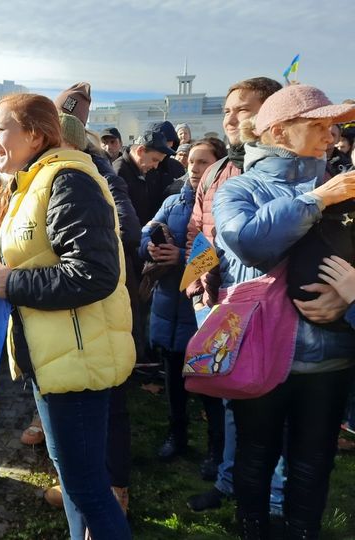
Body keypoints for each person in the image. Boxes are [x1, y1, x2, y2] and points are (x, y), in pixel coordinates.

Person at [0, 93, 134, 540]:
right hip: (52, 358)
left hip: (78, 362)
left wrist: (12, 283)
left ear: (33, 133)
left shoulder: (69, 180)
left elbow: (94, 273)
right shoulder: (32, 181)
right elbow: (34, 257)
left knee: (87, 487)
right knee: (75, 482)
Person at [212, 84, 355, 538]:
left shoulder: (343, 183)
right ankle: (251, 528)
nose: (330, 135)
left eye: (332, 126)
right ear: (278, 131)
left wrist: (350, 294)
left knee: (313, 462)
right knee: (255, 456)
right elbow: (251, 242)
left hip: (330, 356)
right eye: (316, 125)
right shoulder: (240, 187)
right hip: (262, 353)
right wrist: (316, 200)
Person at [185, 77, 284, 514]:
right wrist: (196, 283)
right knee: (229, 396)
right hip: (218, 301)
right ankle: (229, 482)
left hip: (271, 307)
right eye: (227, 110)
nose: (230, 118)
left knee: (272, 405)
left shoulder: (286, 169)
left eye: (242, 109)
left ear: (271, 113)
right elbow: (199, 231)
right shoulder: (216, 170)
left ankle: (277, 501)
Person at [140, 139, 227, 479]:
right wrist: (150, 247)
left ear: (218, 167)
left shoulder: (225, 205)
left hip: (204, 313)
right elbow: (145, 234)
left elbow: (225, 255)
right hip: (168, 310)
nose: (193, 168)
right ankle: (177, 436)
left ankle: (216, 451)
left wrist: (183, 260)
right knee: (174, 381)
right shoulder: (173, 202)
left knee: (210, 387)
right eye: (190, 161)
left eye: (203, 162)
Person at [113, 130, 176, 227]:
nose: (155, 166)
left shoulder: (141, 170)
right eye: (154, 160)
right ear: (140, 151)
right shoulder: (119, 173)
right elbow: (120, 216)